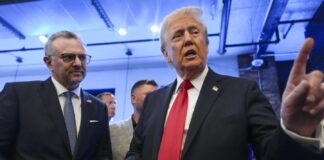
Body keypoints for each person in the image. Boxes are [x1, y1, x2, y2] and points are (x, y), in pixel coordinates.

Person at [126, 7, 324, 160]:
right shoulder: (153, 101)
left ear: (206, 44)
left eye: (195, 33)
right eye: (178, 35)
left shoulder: (243, 92)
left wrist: (295, 131)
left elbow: (272, 153)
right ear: (166, 55)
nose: (188, 40)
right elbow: (136, 151)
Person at [0, 31, 112, 160]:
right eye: (68, 57)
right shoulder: (18, 95)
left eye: (82, 57)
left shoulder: (98, 108)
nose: (78, 63)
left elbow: (103, 155)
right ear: (49, 62)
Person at [109, 80, 157, 160]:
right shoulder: (113, 129)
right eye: (149, 95)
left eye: (157, 95)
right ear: (133, 98)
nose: (155, 99)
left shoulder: (164, 130)